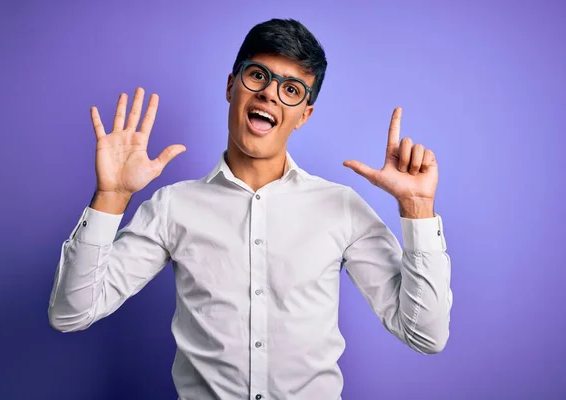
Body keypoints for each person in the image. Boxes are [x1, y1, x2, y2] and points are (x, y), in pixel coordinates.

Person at [48, 18, 452, 400]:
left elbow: (425, 335)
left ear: (304, 115)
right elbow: (71, 313)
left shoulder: (340, 207)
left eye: (292, 90)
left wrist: (417, 209)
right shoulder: (174, 206)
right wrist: (112, 196)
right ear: (231, 85)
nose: (270, 94)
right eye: (259, 75)